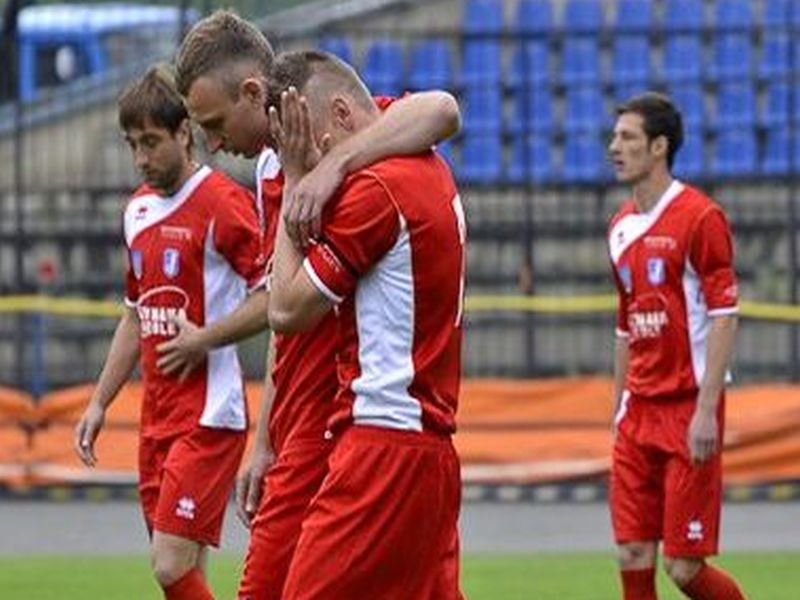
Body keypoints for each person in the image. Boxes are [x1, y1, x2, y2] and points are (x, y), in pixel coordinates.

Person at [169, 11, 463, 600]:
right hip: (331, 423)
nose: (216, 145)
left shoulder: (351, 150)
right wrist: (263, 440)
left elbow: (441, 109)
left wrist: (329, 167)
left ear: (256, 94)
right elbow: (286, 317)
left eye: (216, 124)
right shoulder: (279, 171)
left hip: (356, 426)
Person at [267, 50, 465, 600]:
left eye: (310, 137)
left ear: (339, 113)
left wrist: (297, 177)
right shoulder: (421, 158)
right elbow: (439, 109)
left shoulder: (375, 191)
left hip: (383, 447)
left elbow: (284, 310)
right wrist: (333, 161)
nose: (312, 153)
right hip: (430, 452)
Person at [72, 65, 268, 600]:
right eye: (133, 144)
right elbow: (135, 315)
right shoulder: (136, 211)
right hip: (158, 417)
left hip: (210, 415)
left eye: (152, 142)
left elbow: (274, 298)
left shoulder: (224, 204)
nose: (141, 158)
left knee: (168, 564)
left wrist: (205, 338)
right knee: (184, 570)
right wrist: (98, 402)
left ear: (185, 133)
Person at [607, 92, 747, 600]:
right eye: (615, 136)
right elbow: (625, 325)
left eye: (628, 138)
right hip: (637, 413)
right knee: (633, 555)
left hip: (688, 409)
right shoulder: (620, 226)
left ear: (660, 146)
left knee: (684, 568)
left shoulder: (699, 217)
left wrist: (707, 409)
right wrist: (618, 409)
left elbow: (724, 315)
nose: (614, 147)